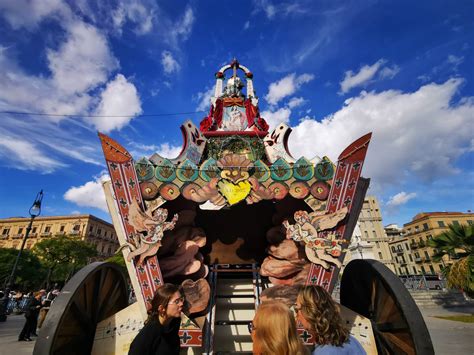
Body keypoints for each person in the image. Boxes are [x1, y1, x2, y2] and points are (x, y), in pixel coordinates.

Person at [295, 286, 366, 354]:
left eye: (297, 309)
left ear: (309, 312)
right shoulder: (351, 341)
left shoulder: (326, 352)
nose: (296, 315)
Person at [128, 284, 183, 355]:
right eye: (176, 301)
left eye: (181, 299)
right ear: (162, 308)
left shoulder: (174, 322)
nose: (181, 303)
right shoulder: (149, 333)